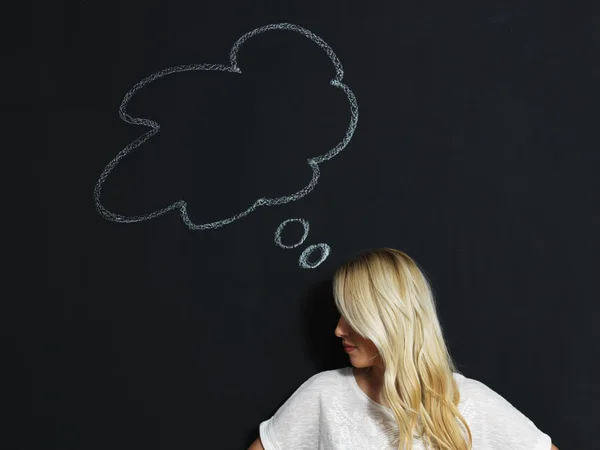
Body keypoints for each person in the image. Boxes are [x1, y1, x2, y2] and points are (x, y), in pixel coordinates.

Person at [248, 248, 558, 450]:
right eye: (340, 315)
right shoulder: (324, 395)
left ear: (390, 320)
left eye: (354, 317)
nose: (339, 329)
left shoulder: (468, 402)